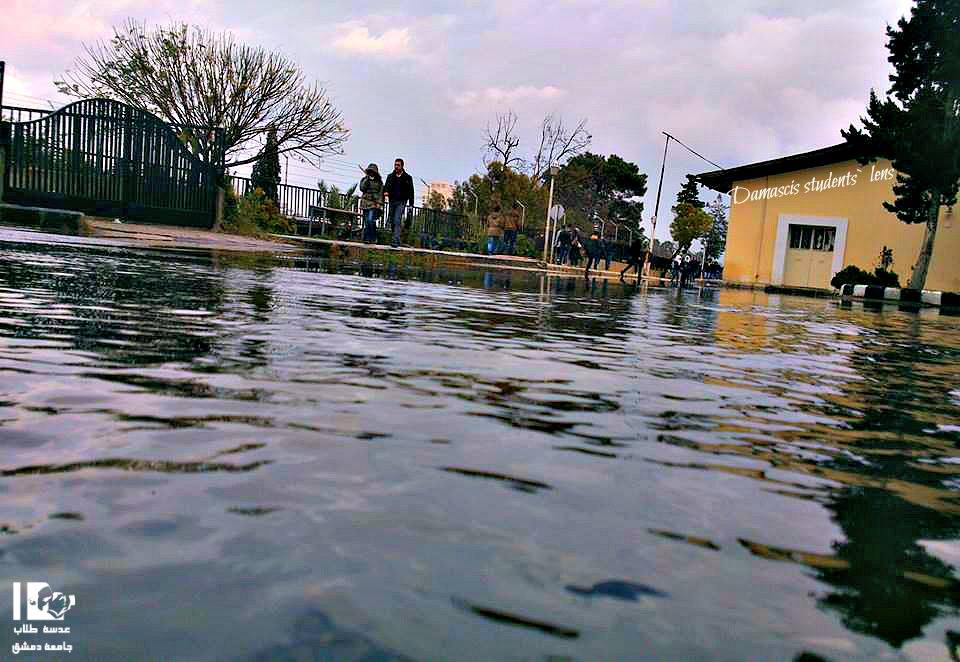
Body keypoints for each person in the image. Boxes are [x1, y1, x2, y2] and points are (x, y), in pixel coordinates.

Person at [384, 158, 415, 247]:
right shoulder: (390, 176)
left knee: (397, 219)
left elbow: (411, 191)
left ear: (402, 166)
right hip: (392, 200)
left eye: (398, 165)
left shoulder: (407, 178)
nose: (396, 167)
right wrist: (386, 192)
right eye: (395, 165)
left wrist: (411, 205)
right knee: (392, 220)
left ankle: (395, 240)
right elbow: (386, 187)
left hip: (401, 201)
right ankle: (396, 239)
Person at [358, 163, 383, 244]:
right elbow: (362, 188)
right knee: (366, 221)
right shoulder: (364, 179)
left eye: (373, 171)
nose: (371, 172)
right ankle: (368, 239)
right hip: (365, 202)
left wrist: (379, 203)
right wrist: (366, 179)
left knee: (370, 220)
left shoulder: (379, 182)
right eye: (370, 171)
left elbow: (380, 193)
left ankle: (373, 237)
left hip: (374, 203)